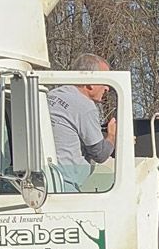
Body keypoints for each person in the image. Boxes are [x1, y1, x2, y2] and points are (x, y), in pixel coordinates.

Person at [48, 54, 117, 191]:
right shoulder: (85, 106)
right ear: (90, 82)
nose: (107, 88)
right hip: (65, 185)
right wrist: (112, 135)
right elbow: (100, 154)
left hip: (44, 181)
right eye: (105, 82)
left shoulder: (51, 95)